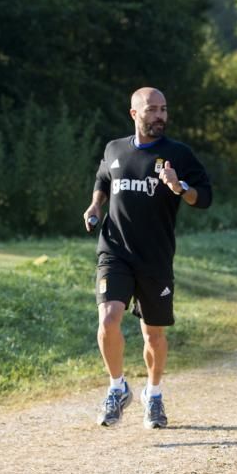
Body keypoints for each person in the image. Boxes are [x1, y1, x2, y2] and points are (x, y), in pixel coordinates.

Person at [83, 87, 213, 429]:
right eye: (152, 110)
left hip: (155, 258)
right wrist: (96, 204)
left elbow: (205, 198)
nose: (160, 116)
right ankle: (117, 387)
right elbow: (102, 178)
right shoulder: (115, 148)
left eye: (164, 110)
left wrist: (179, 187)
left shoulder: (178, 154)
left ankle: (152, 394)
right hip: (114, 251)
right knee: (108, 319)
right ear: (134, 114)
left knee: (153, 333)